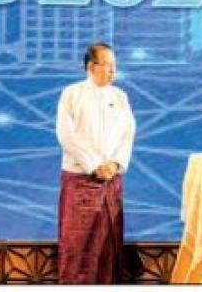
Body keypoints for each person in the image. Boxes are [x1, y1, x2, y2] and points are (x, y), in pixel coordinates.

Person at [55, 42, 136, 284]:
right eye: (107, 65)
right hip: (81, 179)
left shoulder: (120, 96)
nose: (113, 71)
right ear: (91, 66)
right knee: (78, 245)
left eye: (115, 65)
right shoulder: (72, 93)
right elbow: (66, 134)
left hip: (111, 180)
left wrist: (115, 163)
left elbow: (128, 133)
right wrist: (93, 165)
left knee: (108, 247)